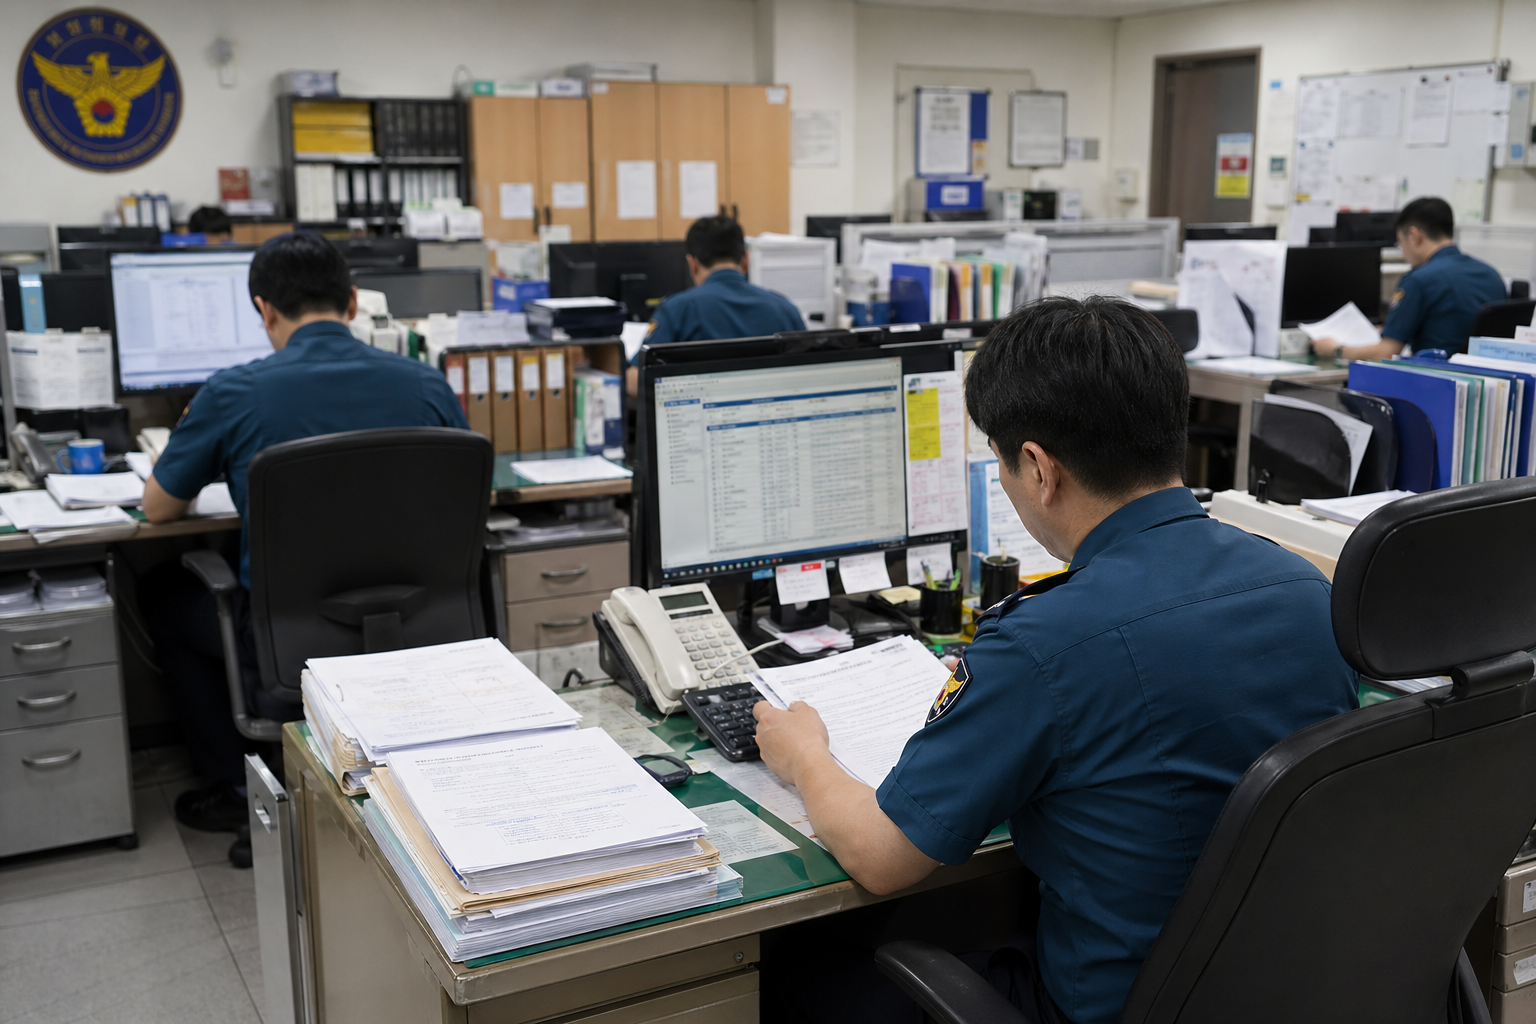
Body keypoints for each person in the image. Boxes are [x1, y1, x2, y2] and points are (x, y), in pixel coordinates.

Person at [754, 296, 1359, 1024]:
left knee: (792, 973)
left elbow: (881, 859)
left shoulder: (1042, 647)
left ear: (1039, 468)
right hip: (1287, 990)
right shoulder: (1303, 585)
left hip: (1114, 1007)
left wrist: (803, 755)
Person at [141, 232, 468, 868]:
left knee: (160, 593)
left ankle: (237, 787)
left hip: (293, 643)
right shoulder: (427, 384)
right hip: (417, 627)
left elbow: (157, 508)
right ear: (352, 302)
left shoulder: (233, 392)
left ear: (263, 309)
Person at [625, 215, 805, 394]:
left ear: (692, 264)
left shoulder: (677, 309)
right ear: (745, 260)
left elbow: (634, 382)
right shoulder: (784, 308)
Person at [1310, 196, 1506, 360]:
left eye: (1400, 242)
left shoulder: (1420, 280)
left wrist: (1336, 350)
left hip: (1433, 382)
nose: (1403, 251)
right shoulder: (1491, 274)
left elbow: (1386, 353)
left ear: (1414, 236)